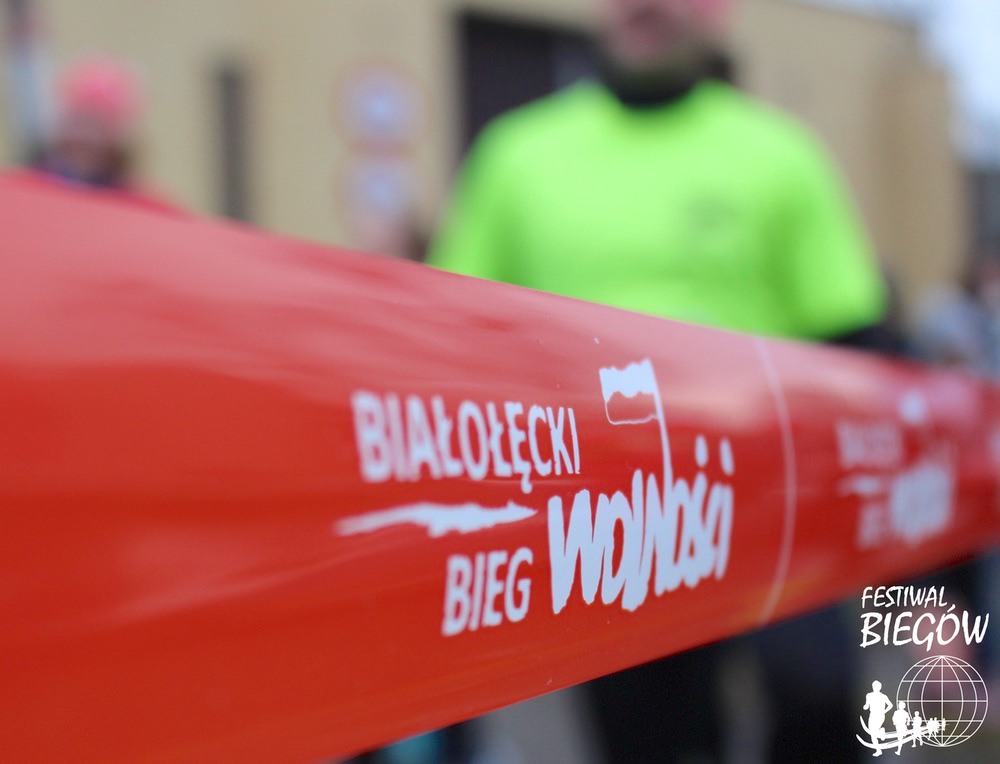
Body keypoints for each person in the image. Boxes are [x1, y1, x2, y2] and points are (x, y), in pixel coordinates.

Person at [431, 0, 889, 760]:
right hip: (605, 521)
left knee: (817, 697)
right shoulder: (517, 155)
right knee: (650, 743)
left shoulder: (781, 155)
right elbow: (455, 337)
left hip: (774, 506)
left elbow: (856, 346)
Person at [864, 680, 893, 756]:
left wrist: (884, 711)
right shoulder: (869, 695)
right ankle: (878, 750)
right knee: (872, 734)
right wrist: (865, 707)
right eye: (874, 686)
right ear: (872, 686)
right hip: (872, 714)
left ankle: (881, 731)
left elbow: (890, 705)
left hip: (879, 715)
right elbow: (867, 705)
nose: (875, 687)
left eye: (877, 686)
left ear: (880, 687)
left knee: (873, 732)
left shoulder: (883, 696)